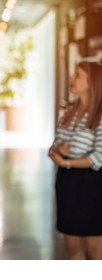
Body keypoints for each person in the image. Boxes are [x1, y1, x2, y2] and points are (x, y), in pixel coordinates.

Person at [48, 58, 102, 260]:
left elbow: (98, 157)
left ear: (92, 82)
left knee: (95, 250)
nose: (71, 79)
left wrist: (66, 162)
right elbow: (54, 146)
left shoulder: (100, 115)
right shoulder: (68, 114)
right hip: (67, 184)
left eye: (77, 75)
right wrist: (56, 151)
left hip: (92, 187)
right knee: (72, 249)